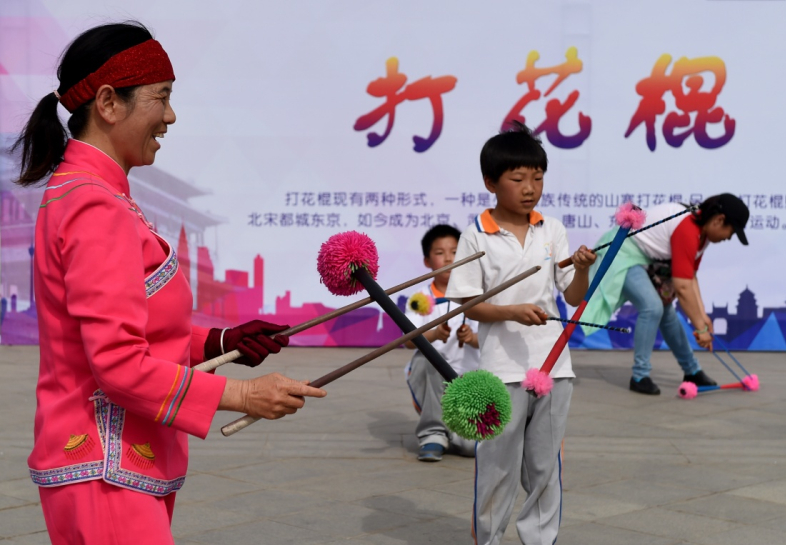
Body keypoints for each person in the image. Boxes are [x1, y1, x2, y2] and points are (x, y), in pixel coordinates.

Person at [12, 22, 326, 544]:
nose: (170, 116)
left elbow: (134, 328)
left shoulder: (97, 194)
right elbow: (116, 363)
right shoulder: (94, 206)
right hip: (104, 465)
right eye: (162, 98)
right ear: (109, 103)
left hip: (115, 464)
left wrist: (218, 343)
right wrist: (244, 395)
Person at [446, 122, 596, 545]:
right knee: (497, 468)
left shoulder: (552, 229)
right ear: (491, 182)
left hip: (553, 367)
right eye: (518, 178)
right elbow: (467, 303)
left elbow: (573, 295)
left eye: (538, 177)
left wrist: (581, 267)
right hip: (498, 371)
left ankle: (540, 540)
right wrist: (511, 311)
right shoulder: (475, 235)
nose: (530, 187)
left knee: (546, 468)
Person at [582, 194, 749, 395]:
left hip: (643, 259)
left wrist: (703, 317)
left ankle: (692, 371)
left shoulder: (701, 233)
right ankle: (639, 376)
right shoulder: (688, 228)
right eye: (730, 233)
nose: (727, 238)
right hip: (622, 253)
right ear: (719, 220)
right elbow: (682, 287)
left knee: (667, 314)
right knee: (652, 307)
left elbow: (691, 278)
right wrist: (700, 328)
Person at [404, 224, 480, 462]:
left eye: (455, 251)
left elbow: (489, 338)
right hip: (430, 379)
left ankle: (453, 431)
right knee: (432, 359)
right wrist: (434, 335)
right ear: (427, 261)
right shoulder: (420, 298)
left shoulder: (477, 294)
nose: (448, 258)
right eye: (440, 253)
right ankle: (432, 434)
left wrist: (472, 338)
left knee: (469, 448)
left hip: (467, 379)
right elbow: (408, 342)